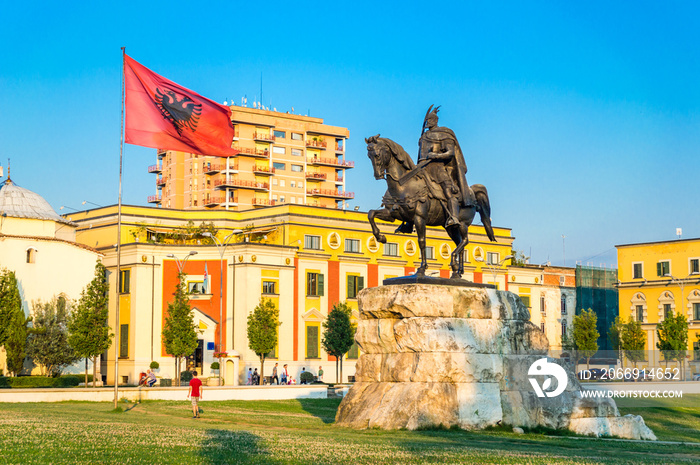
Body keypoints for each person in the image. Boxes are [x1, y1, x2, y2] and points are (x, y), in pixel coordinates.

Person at [417, 105, 475, 227]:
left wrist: (435, 155)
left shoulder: (444, 134)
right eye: (427, 120)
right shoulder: (424, 136)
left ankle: (454, 217)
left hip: (438, 168)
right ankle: (407, 221)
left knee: (448, 191)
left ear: (435, 120)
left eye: (430, 120)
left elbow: (451, 153)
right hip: (422, 168)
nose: (428, 122)